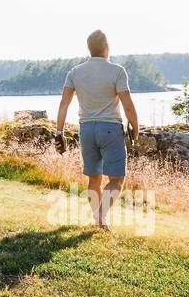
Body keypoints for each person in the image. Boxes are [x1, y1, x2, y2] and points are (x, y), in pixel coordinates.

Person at [55, 29, 139, 230]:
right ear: (106, 47)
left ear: (89, 49)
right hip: (110, 129)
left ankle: (98, 221)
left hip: (86, 130)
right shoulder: (117, 71)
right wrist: (135, 128)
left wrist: (59, 133)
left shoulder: (74, 72)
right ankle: (101, 217)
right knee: (117, 179)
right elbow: (128, 105)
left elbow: (64, 104)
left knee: (94, 178)